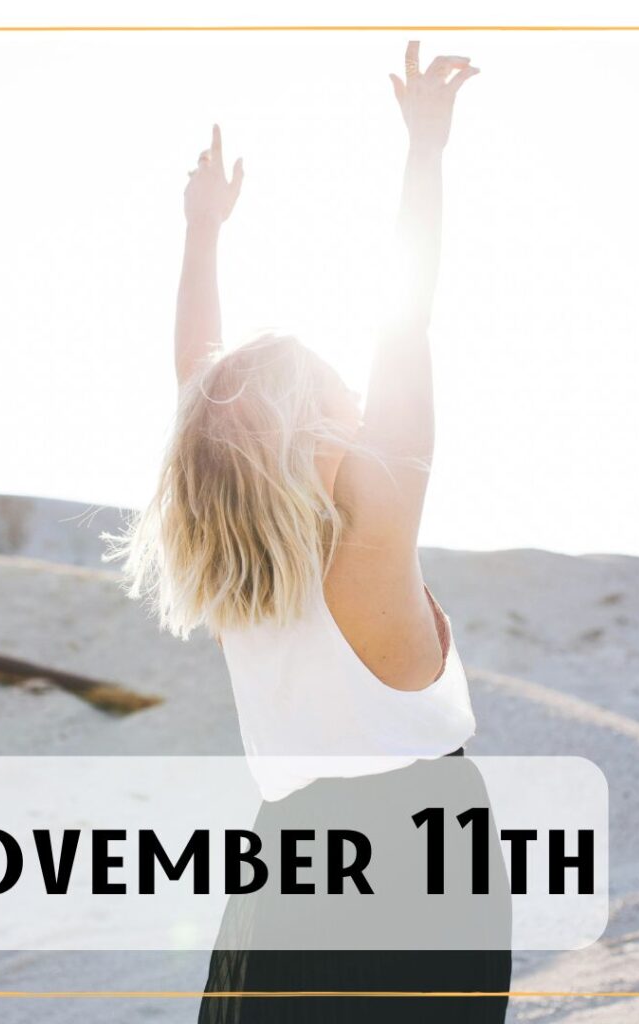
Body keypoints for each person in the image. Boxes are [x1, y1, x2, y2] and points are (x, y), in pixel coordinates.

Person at [108, 40, 510, 1023]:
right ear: (313, 429)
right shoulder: (369, 531)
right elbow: (404, 326)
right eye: (336, 398)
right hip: (417, 861)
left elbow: (194, 375)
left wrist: (201, 233)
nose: (354, 412)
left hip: (285, 861)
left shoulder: (249, 582)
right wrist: (425, 151)